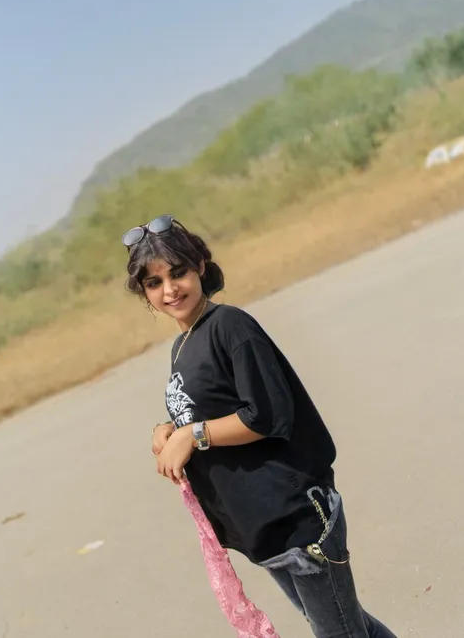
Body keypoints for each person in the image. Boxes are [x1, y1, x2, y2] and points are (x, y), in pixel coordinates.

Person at [123, 214, 397, 638]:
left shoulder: (229, 327)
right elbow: (210, 405)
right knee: (348, 626)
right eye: (154, 283)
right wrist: (169, 428)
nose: (170, 289)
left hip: (297, 517)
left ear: (200, 266)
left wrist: (192, 435)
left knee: (340, 633)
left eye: (177, 273)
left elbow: (266, 415)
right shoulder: (183, 344)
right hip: (262, 524)